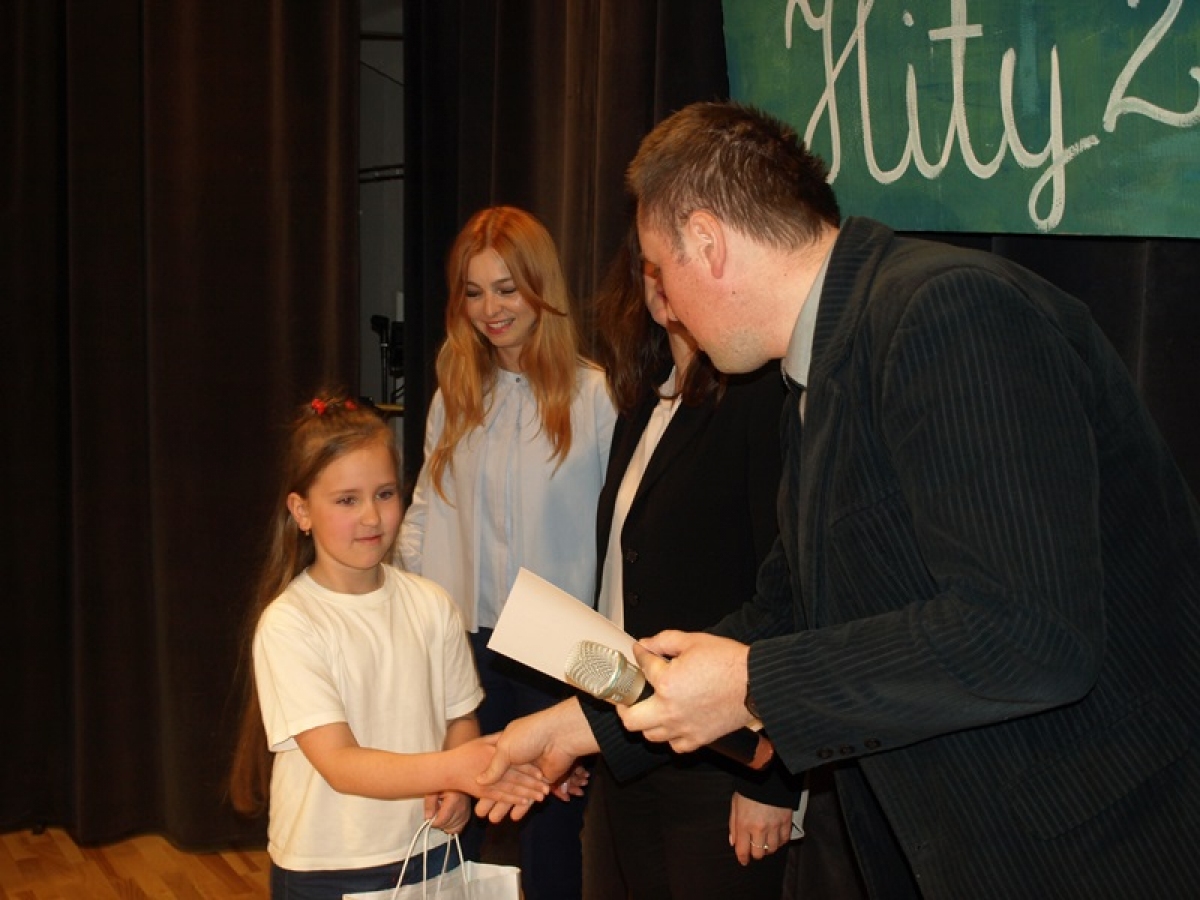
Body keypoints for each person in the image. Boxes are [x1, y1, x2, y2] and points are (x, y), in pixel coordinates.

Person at [477, 101, 1200, 898]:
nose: (666, 304)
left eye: (660, 268)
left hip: (1090, 852)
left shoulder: (944, 312)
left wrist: (753, 685)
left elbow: (1030, 634)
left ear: (708, 243)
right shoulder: (820, 372)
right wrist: (574, 727)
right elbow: (787, 612)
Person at [227, 392, 549, 900]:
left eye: (384, 494)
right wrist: (460, 768)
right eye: (347, 500)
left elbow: (459, 719)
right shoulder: (290, 623)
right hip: (328, 868)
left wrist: (459, 786)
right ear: (301, 511)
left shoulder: (432, 604)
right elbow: (340, 763)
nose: (372, 518)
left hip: (432, 849)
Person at [398, 206, 617, 899]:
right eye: (474, 291)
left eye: (506, 288)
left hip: (562, 657)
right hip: (468, 648)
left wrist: (607, 679)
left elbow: (619, 541)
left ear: (540, 287)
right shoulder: (456, 395)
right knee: (455, 827)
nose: (490, 309)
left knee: (553, 843)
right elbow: (424, 513)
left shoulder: (595, 396)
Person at [581, 224, 793, 899]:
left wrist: (773, 783)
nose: (660, 280)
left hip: (724, 766)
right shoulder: (642, 402)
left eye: (669, 262)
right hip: (630, 745)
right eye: (647, 266)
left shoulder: (758, 398)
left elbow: (788, 591)